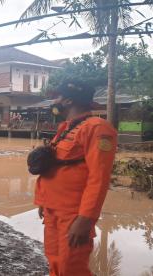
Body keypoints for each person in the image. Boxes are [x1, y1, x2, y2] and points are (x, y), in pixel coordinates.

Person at [34, 80, 117, 276]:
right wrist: (43, 202)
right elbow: (58, 168)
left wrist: (86, 219)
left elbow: (99, 178)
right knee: (54, 261)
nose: (54, 101)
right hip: (52, 209)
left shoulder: (97, 128)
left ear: (68, 100)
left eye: (57, 97)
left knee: (71, 268)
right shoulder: (67, 128)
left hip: (73, 214)